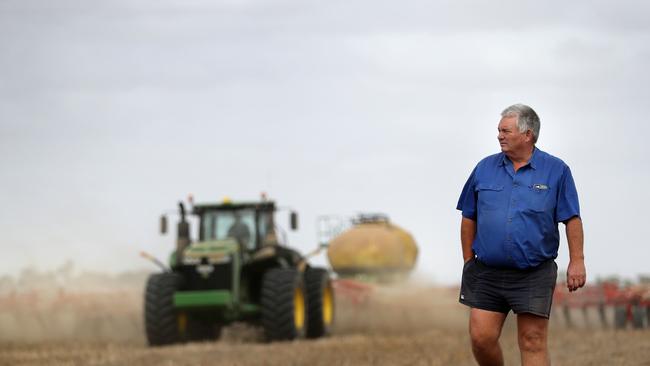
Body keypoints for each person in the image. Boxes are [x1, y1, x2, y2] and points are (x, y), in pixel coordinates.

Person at [457, 104, 586, 366]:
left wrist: (577, 260)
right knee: (481, 338)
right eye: (498, 130)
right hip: (487, 272)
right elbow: (468, 216)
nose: (499, 136)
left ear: (527, 134)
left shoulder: (556, 170)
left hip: (534, 272)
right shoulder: (484, 168)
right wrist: (468, 261)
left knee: (532, 340)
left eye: (505, 130)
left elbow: (571, 218)